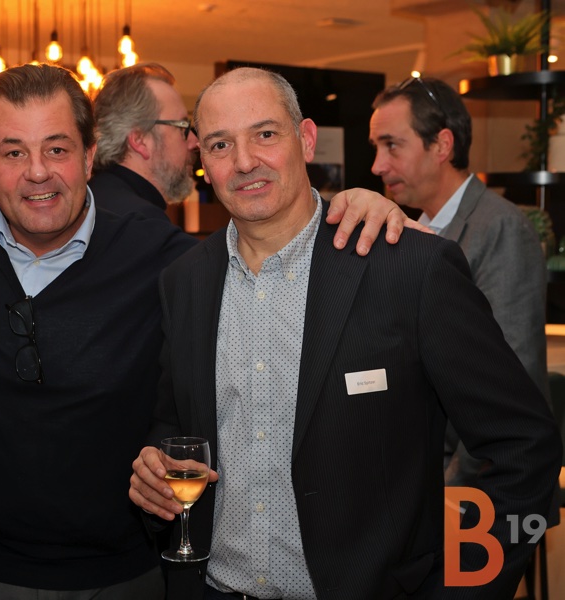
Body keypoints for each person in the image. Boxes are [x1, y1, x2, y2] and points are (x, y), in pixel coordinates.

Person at [0, 63, 411, 599]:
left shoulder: (168, 260)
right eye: (13, 152)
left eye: (57, 148)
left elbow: (269, 250)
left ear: (90, 156)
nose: (38, 172)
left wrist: (359, 207)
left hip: (127, 578)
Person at [129, 66, 562, 600]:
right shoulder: (185, 282)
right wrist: (155, 468)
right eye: (221, 144)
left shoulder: (409, 268)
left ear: (306, 139)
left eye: (265, 134)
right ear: (203, 159)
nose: (244, 162)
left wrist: (462, 587)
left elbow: (524, 447)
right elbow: (174, 423)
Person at [369, 76, 550, 488]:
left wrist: (447, 492)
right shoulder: (410, 232)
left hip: (482, 490)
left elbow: (507, 387)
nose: (378, 165)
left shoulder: (500, 227)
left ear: (442, 146)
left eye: (392, 145)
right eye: (376, 147)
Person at [89, 62, 198, 220]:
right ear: (140, 140)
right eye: (182, 127)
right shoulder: (141, 220)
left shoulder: (91, 200)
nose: (194, 141)